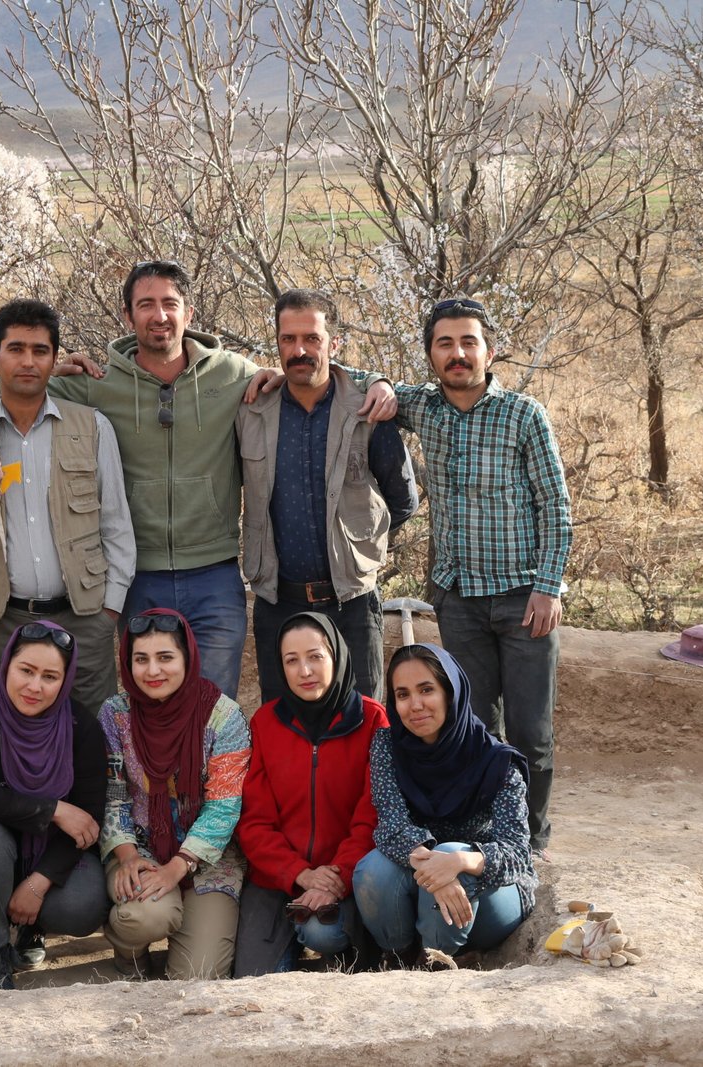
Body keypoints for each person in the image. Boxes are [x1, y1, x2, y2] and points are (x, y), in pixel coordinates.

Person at [0, 262, 397, 698]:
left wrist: (374, 381)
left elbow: (310, 373)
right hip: (139, 579)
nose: (159, 315)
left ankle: (214, 771)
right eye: (146, 304)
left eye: (170, 303)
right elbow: (0, 385)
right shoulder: (96, 383)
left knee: (215, 709)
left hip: (215, 578)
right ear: (128, 316)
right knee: (149, 709)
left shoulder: (234, 376)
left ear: (189, 314)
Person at [390, 298, 572, 856]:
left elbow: (556, 506)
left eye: (468, 343)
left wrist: (548, 586)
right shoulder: (422, 408)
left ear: (489, 352)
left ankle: (531, 846)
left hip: (524, 600)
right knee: (472, 729)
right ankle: (480, 841)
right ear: (430, 355)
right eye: (444, 344)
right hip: (459, 599)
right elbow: (357, 385)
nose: (458, 354)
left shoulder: (523, 415)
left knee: (530, 735)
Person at [238, 289, 418, 705]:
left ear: (334, 344)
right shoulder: (251, 411)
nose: (299, 350)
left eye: (312, 338)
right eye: (288, 339)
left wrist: (356, 546)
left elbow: (401, 499)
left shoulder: (367, 410)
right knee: (284, 727)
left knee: (362, 722)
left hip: (350, 603)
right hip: (277, 601)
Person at [0, 299, 135, 719]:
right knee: (11, 731)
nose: (27, 361)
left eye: (40, 351)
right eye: (15, 349)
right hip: (3, 620)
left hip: (85, 614)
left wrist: (109, 610)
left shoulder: (92, 427)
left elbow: (116, 525)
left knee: (94, 730)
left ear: (55, 359)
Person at [0, 620, 109, 990]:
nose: (34, 686)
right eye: (26, 671)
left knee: (83, 906)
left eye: (50, 676)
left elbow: (88, 821)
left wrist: (39, 882)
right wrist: (53, 809)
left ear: (65, 680)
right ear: (6, 665)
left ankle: (33, 925)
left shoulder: (81, 726)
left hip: (47, 855)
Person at [354, 643, 536, 967]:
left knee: (452, 850)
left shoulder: (496, 761)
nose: (416, 705)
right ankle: (397, 959)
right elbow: (391, 824)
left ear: (450, 692)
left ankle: (441, 964)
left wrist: (459, 862)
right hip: (421, 879)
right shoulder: (387, 745)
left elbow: (519, 854)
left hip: (490, 896)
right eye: (403, 694)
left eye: (427, 690)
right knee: (372, 871)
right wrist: (438, 867)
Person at [233, 612, 388, 976]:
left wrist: (334, 879)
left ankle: (340, 952)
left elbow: (373, 816)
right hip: (276, 879)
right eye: (292, 660)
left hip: (342, 879)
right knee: (251, 983)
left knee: (323, 931)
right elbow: (254, 822)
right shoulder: (266, 723)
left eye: (315, 656)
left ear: (336, 655)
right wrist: (299, 874)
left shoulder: (372, 720)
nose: (304, 671)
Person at [98, 608, 250, 979]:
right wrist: (128, 856)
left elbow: (223, 807)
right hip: (140, 844)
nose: (153, 671)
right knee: (143, 918)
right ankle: (128, 955)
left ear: (187, 657)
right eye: (141, 659)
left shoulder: (223, 716)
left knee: (197, 975)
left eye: (166, 658)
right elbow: (113, 795)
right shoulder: (116, 714)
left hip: (209, 858)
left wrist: (177, 867)